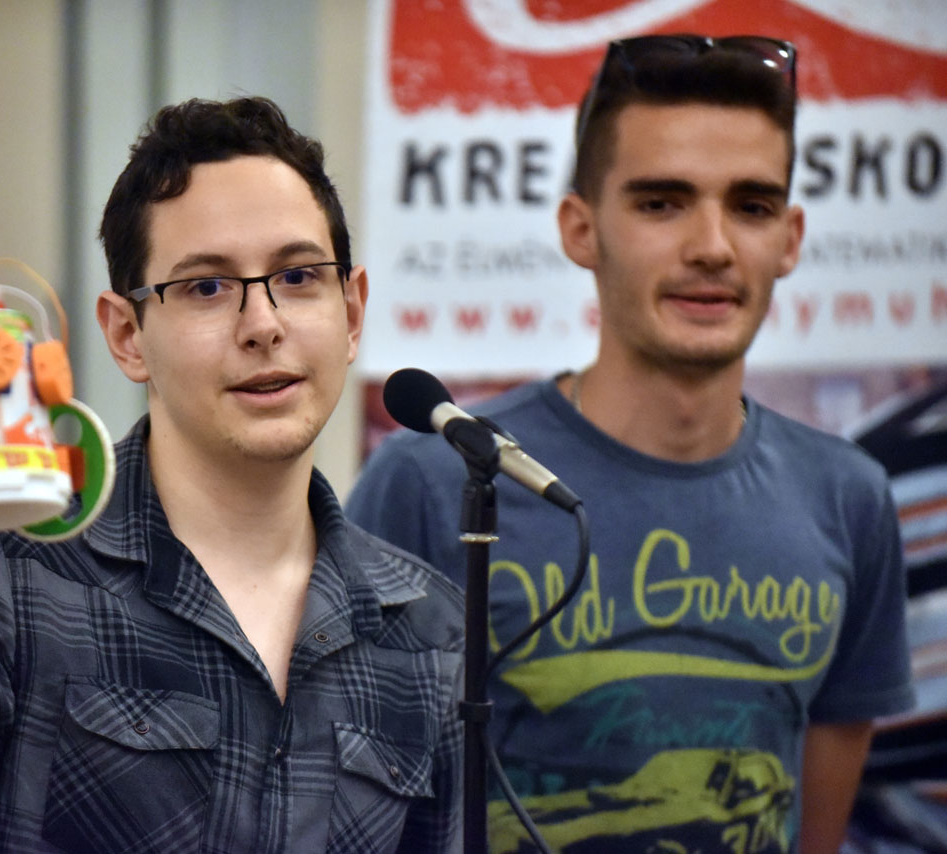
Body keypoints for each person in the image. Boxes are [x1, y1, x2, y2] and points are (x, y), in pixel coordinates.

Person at [0, 96, 465, 853]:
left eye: (297, 276)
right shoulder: (5, 569)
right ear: (127, 335)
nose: (263, 325)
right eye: (206, 287)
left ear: (351, 312)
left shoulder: (431, 628)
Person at [346, 35, 914, 854]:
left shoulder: (849, 499)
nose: (712, 246)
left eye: (751, 207)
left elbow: (812, 833)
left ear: (791, 238)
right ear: (581, 229)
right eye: (661, 203)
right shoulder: (438, 481)